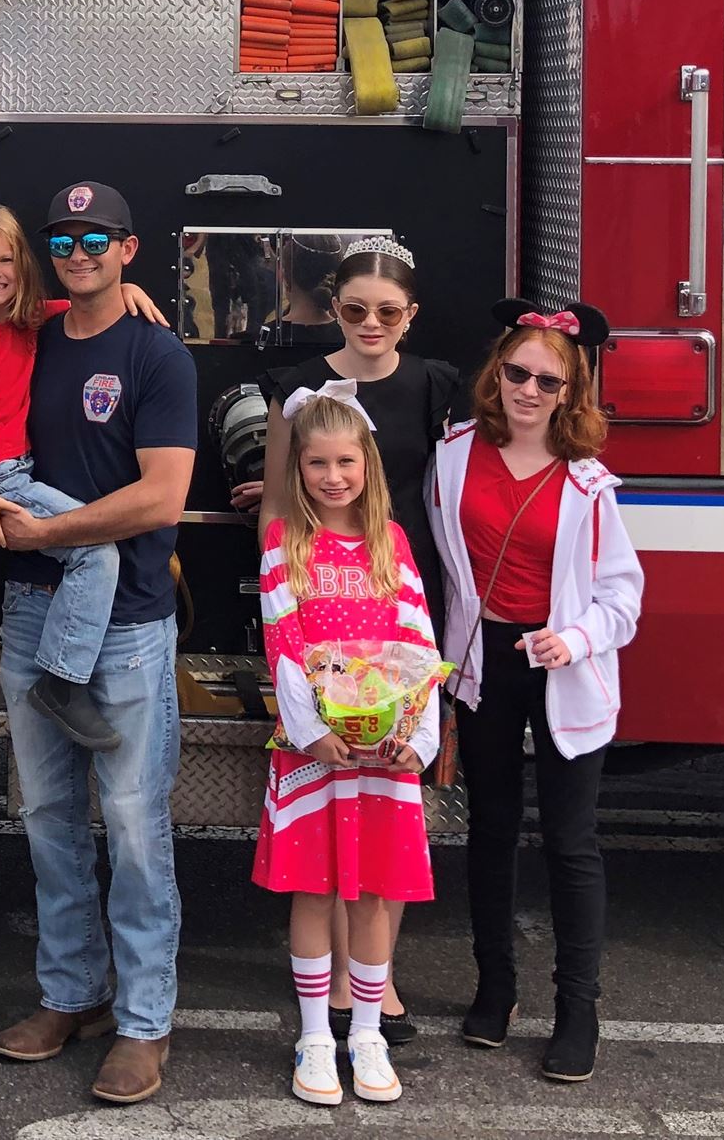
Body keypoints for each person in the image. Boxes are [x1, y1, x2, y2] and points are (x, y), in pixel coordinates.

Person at [0, 181, 198, 1109]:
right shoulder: (20, 344)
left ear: (129, 246)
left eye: (95, 237)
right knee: (48, 824)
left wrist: (43, 536)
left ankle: (145, 1022)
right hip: (30, 619)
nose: (78, 250)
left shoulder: (158, 355)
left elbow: (160, 499)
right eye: (63, 237)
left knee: (135, 827)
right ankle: (72, 996)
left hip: (129, 625)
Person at [249, 235, 462, 1046]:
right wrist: (284, 587)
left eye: (387, 311)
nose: (369, 323)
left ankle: (377, 983)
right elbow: (278, 498)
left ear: (409, 317)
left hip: (394, 584)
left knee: (382, 802)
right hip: (314, 592)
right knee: (332, 798)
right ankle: (332, 984)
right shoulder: (296, 388)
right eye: (353, 308)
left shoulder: (435, 385)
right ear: (333, 305)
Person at [429, 299, 642, 1085]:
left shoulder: (589, 484)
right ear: (497, 373)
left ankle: (577, 1010)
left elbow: (623, 598)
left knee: (570, 843)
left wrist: (575, 637)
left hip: (562, 669)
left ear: (569, 392)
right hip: (482, 664)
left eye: (547, 381)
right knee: (488, 829)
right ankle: (496, 988)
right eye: (516, 372)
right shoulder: (453, 455)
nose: (527, 389)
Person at [252, 386, 441, 1109]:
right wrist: (317, 732)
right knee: (315, 888)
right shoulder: (284, 544)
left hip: (384, 752)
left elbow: (416, 640)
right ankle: (313, 1035)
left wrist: (413, 736)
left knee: (375, 892)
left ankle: (366, 1031)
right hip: (315, 752)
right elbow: (284, 643)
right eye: (317, 464)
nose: (334, 477)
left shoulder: (391, 541)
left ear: (368, 464)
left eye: (346, 462)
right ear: (297, 469)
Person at [0, 206, 168, 751]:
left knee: (89, 551)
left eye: (6, 259)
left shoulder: (24, 322)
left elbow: (88, 306)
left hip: (13, 471)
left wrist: (128, 290)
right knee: (97, 551)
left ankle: (62, 676)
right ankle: (62, 682)